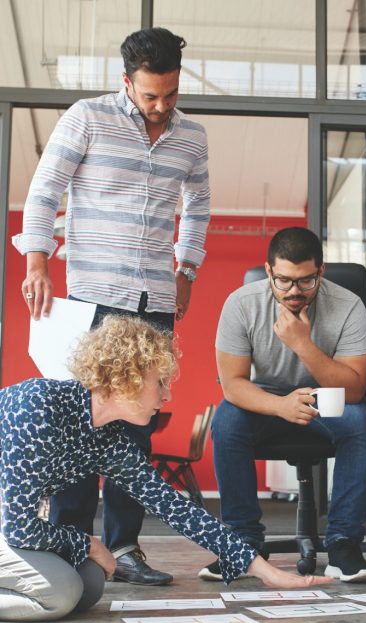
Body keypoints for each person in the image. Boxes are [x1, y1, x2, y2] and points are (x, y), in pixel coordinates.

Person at [12, 27, 210, 585]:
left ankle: (125, 547)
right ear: (127, 83)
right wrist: (36, 261)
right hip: (93, 296)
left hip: (155, 297)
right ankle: (74, 541)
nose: (161, 106)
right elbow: (46, 188)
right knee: (81, 419)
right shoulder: (87, 118)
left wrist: (186, 268)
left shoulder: (191, 137)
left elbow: (198, 205)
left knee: (137, 426)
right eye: (150, 95)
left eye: (170, 94)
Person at [0, 316, 333, 622]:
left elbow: (175, 507)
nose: (168, 394)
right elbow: (19, 529)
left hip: (12, 527)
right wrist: (88, 543)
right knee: (62, 592)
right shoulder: (39, 408)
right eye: (159, 382)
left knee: (89, 584)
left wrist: (265, 571)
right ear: (123, 378)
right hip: (10, 527)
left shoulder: (108, 440)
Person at [200, 227, 366, 584]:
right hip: (266, 399)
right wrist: (280, 406)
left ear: (320, 272)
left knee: (358, 421)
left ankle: (343, 544)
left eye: (305, 281)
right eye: (284, 281)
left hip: (324, 396)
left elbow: (356, 389)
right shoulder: (241, 303)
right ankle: (242, 542)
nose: (294, 291)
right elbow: (233, 385)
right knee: (227, 423)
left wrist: (303, 345)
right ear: (268, 272)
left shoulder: (347, 305)